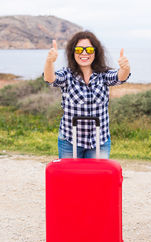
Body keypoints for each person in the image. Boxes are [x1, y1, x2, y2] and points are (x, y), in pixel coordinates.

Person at [43, 31, 131, 159]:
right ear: (73, 53)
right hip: (70, 140)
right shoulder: (67, 75)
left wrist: (125, 67)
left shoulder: (103, 75)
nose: (84, 53)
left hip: (99, 141)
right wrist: (49, 62)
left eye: (89, 50)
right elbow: (51, 79)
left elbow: (120, 77)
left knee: (96, 178)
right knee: (70, 178)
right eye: (79, 49)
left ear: (96, 52)